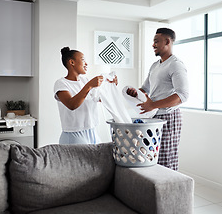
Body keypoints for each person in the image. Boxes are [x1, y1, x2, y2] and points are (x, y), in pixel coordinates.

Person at [127, 28, 189, 170]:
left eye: (156, 41)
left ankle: (170, 191)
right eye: (153, 41)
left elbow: (183, 95)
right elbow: (145, 89)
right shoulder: (155, 65)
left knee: (166, 158)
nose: (153, 45)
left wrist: (153, 105)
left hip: (169, 116)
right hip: (154, 116)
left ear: (167, 41)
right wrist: (134, 93)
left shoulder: (176, 64)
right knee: (151, 156)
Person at [54, 47, 117, 144]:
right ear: (72, 62)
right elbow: (72, 105)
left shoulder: (85, 81)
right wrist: (89, 85)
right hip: (74, 135)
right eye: (83, 60)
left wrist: (110, 85)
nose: (86, 63)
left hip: (92, 131)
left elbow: (99, 98)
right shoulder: (61, 83)